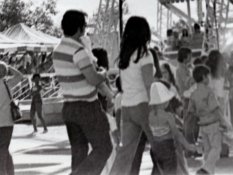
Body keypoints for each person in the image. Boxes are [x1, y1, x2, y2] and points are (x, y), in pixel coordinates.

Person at [52, 9, 113, 175]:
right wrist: (103, 73)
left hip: (69, 107)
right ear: (79, 28)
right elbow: (93, 79)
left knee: (79, 154)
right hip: (87, 107)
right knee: (103, 148)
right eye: (85, 26)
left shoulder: (58, 50)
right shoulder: (79, 51)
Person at [109, 16, 155, 175]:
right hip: (143, 105)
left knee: (125, 154)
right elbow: (149, 84)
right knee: (160, 146)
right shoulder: (145, 55)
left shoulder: (125, 56)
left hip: (127, 107)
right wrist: (156, 108)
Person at [186, 64, 224, 175]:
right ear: (204, 77)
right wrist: (223, 121)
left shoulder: (193, 94)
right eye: (208, 76)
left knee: (207, 150)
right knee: (216, 148)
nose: (209, 78)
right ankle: (205, 169)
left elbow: (191, 110)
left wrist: (200, 114)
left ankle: (209, 172)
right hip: (212, 123)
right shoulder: (209, 92)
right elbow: (215, 109)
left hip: (202, 125)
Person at [148, 80, 190, 175]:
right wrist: (188, 146)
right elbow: (177, 134)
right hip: (168, 147)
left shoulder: (150, 115)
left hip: (155, 148)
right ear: (165, 101)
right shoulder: (168, 115)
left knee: (158, 170)